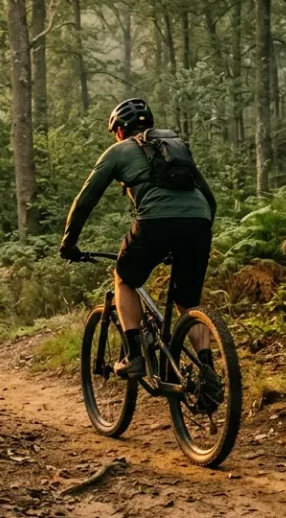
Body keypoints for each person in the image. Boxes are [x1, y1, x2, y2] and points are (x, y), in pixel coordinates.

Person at [59, 99, 221, 409]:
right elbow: (209, 199)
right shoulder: (175, 145)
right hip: (199, 223)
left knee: (124, 277)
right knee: (188, 302)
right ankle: (207, 371)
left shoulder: (118, 152)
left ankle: (134, 355)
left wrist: (69, 243)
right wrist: (190, 236)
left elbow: (85, 200)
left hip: (156, 222)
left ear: (119, 131)